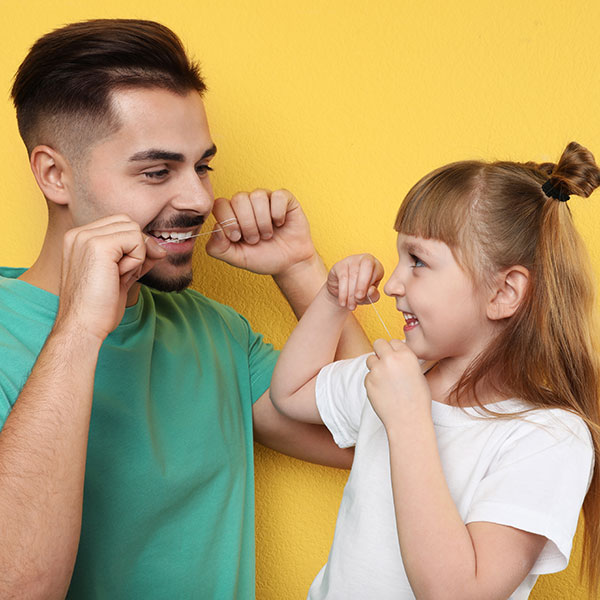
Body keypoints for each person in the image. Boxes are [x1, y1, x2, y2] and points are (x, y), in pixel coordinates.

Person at [0, 19, 370, 599]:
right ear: (54, 175)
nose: (199, 199)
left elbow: (388, 442)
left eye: (201, 166)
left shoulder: (217, 333)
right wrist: (79, 330)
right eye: (156, 171)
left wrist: (299, 269)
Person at [271, 142, 600, 599]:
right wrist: (332, 301)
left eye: (419, 261)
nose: (393, 283)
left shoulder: (547, 436)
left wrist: (408, 419)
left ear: (504, 292)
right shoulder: (403, 376)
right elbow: (290, 394)